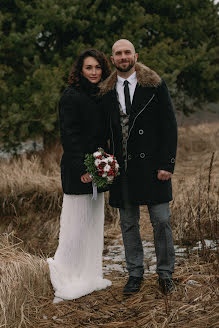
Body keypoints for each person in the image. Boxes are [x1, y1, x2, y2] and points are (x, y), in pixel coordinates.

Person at [99, 39, 177, 295]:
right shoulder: (105, 92)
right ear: (112, 59)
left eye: (127, 52)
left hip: (154, 167)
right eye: (118, 54)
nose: (123, 57)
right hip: (123, 170)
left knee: (162, 221)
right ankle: (135, 273)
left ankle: (165, 274)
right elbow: (102, 133)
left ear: (135, 55)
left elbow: (169, 126)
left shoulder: (155, 85)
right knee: (128, 224)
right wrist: (105, 162)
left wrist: (167, 164)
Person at [47, 49, 112, 303]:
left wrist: (104, 164)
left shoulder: (102, 96)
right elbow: (70, 136)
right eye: (89, 68)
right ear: (80, 71)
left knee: (94, 225)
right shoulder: (70, 96)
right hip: (79, 170)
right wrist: (83, 169)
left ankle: (90, 274)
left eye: (97, 67)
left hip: (99, 167)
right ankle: (69, 274)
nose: (94, 72)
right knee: (76, 225)